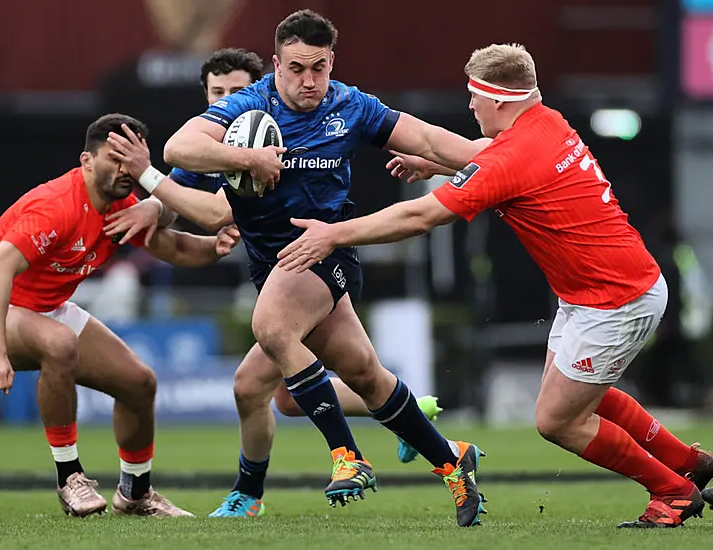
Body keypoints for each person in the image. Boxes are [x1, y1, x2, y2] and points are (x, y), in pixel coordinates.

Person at [276, 43, 713, 528]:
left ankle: (672, 492)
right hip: (604, 289)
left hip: (615, 301)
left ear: (499, 100)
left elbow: (421, 215)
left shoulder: (513, 156)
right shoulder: (547, 123)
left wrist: (332, 233)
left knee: (557, 420)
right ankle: (690, 464)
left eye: (473, 96)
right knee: (585, 394)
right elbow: (491, 160)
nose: (469, 106)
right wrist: (439, 166)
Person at [127, 11, 492, 527]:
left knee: (271, 327)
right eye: (297, 68)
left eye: (318, 68)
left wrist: (504, 158)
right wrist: (249, 162)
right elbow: (178, 149)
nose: (308, 81)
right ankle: (454, 462)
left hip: (325, 251)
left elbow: (433, 142)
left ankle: (345, 456)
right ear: (275, 65)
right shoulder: (248, 108)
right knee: (362, 377)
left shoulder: (349, 104)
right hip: (273, 266)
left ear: (331, 63)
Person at [0, 113, 241, 518]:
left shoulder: (121, 206)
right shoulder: (56, 206)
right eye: (114, 158)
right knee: (59, 342)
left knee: (139, 383)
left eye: (133, 159)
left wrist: (214, 246)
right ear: (86, 160)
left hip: (46, 310)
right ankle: (69, 477)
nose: (125, 170)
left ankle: (136, 493)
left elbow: (172, 248)